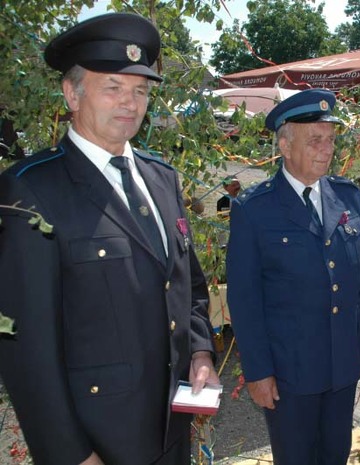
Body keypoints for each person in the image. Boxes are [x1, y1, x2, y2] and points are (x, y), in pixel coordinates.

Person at [0, 13, 219, 465]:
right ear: (72, 93)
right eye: (113, 87)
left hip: (171, 430)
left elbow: (188, 287)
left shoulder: (162, 179)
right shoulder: (31, 189)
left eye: (140, 90)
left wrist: (200, 353)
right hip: (98, 443)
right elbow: (26, 348)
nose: (129, 103)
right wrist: (71, 454)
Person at [226, 89, 360, 465]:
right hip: (290, 372)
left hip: (343, 364)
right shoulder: (254, 210)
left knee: (335, 455)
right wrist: (258, 371)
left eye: (330, 139)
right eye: (315, 140)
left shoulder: (348, 197)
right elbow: (245, 300)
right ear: (285, 145)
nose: (326, 149)